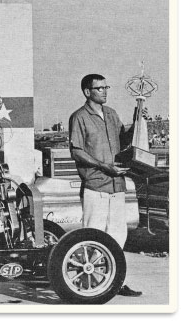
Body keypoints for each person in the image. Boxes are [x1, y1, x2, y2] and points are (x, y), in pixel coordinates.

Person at [69, 74, 142, 297]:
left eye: (106, 87)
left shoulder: (112, 114)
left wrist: (138, 120)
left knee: (118, 235)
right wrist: (103, 166)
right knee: (93, 236)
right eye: (99, 88)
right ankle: (85, 283)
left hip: (117, 185)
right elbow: (77, 151)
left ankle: (115, 282)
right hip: (95, 185)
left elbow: (125, 141)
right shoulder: (79, 117)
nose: (104, 91)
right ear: (87, 92)